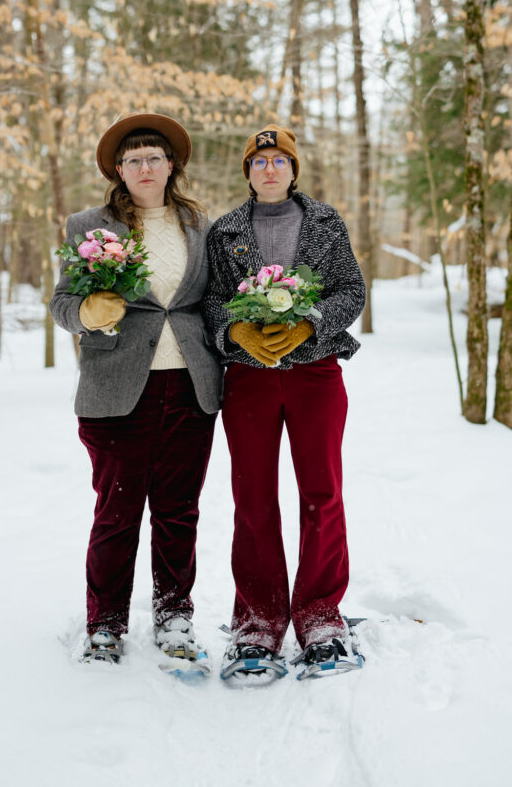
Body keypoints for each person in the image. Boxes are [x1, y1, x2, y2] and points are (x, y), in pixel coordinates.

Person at [50, 113, 221, 670]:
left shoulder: (202, 227)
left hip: (192, 386)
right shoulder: (88, 226)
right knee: (117, 513)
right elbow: (62, 304)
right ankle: (105, 623)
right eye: (133, 160)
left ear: (171, 166)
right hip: (117, 390)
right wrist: (87, 313)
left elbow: (210, 302)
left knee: (179, 512)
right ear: (118, 171)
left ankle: (175, 615)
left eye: (154, 158)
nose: (145, 167)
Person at [202, 123, 366, 684]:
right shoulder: (225, 231)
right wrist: (237, 331)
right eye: (259, 160)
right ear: (247, 172)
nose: (269, 168)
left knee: (322, 492)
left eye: (279, 160)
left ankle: (320, 616)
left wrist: (310, 323)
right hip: (249, 378)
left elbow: (351, 290)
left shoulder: (325, 222)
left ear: (294, 170)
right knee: (253, 496)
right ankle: (257, 621)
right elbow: (211, 302)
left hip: (314, 373)